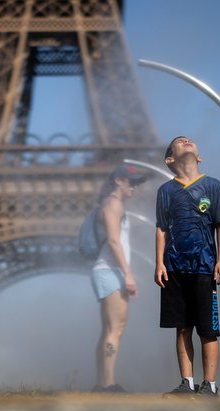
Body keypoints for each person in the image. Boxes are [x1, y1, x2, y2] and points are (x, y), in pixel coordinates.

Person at [154, 136, 220, 398]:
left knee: (208, 329)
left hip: (204, 266)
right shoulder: (165, 190)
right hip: (175, 267)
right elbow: (162, 228)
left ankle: (209, 385)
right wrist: (159, 263)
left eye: (190, 141)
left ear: (200, 157)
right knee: (182, 326)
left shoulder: (212, 186)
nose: (186, 140)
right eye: (179, 141)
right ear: (169, 160)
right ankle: (187, 382)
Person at [91, 163, 147, 393]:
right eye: (131, 182)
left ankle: (102, 383)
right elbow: (114, 241)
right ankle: (108, 384)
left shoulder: (112, 204)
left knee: (109, 329)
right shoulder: (113, 204)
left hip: (108, 271)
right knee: (116, 327)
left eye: (137, 183)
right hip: (111, 271)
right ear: (118, 181)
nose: (135, 187)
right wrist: (128, 274)